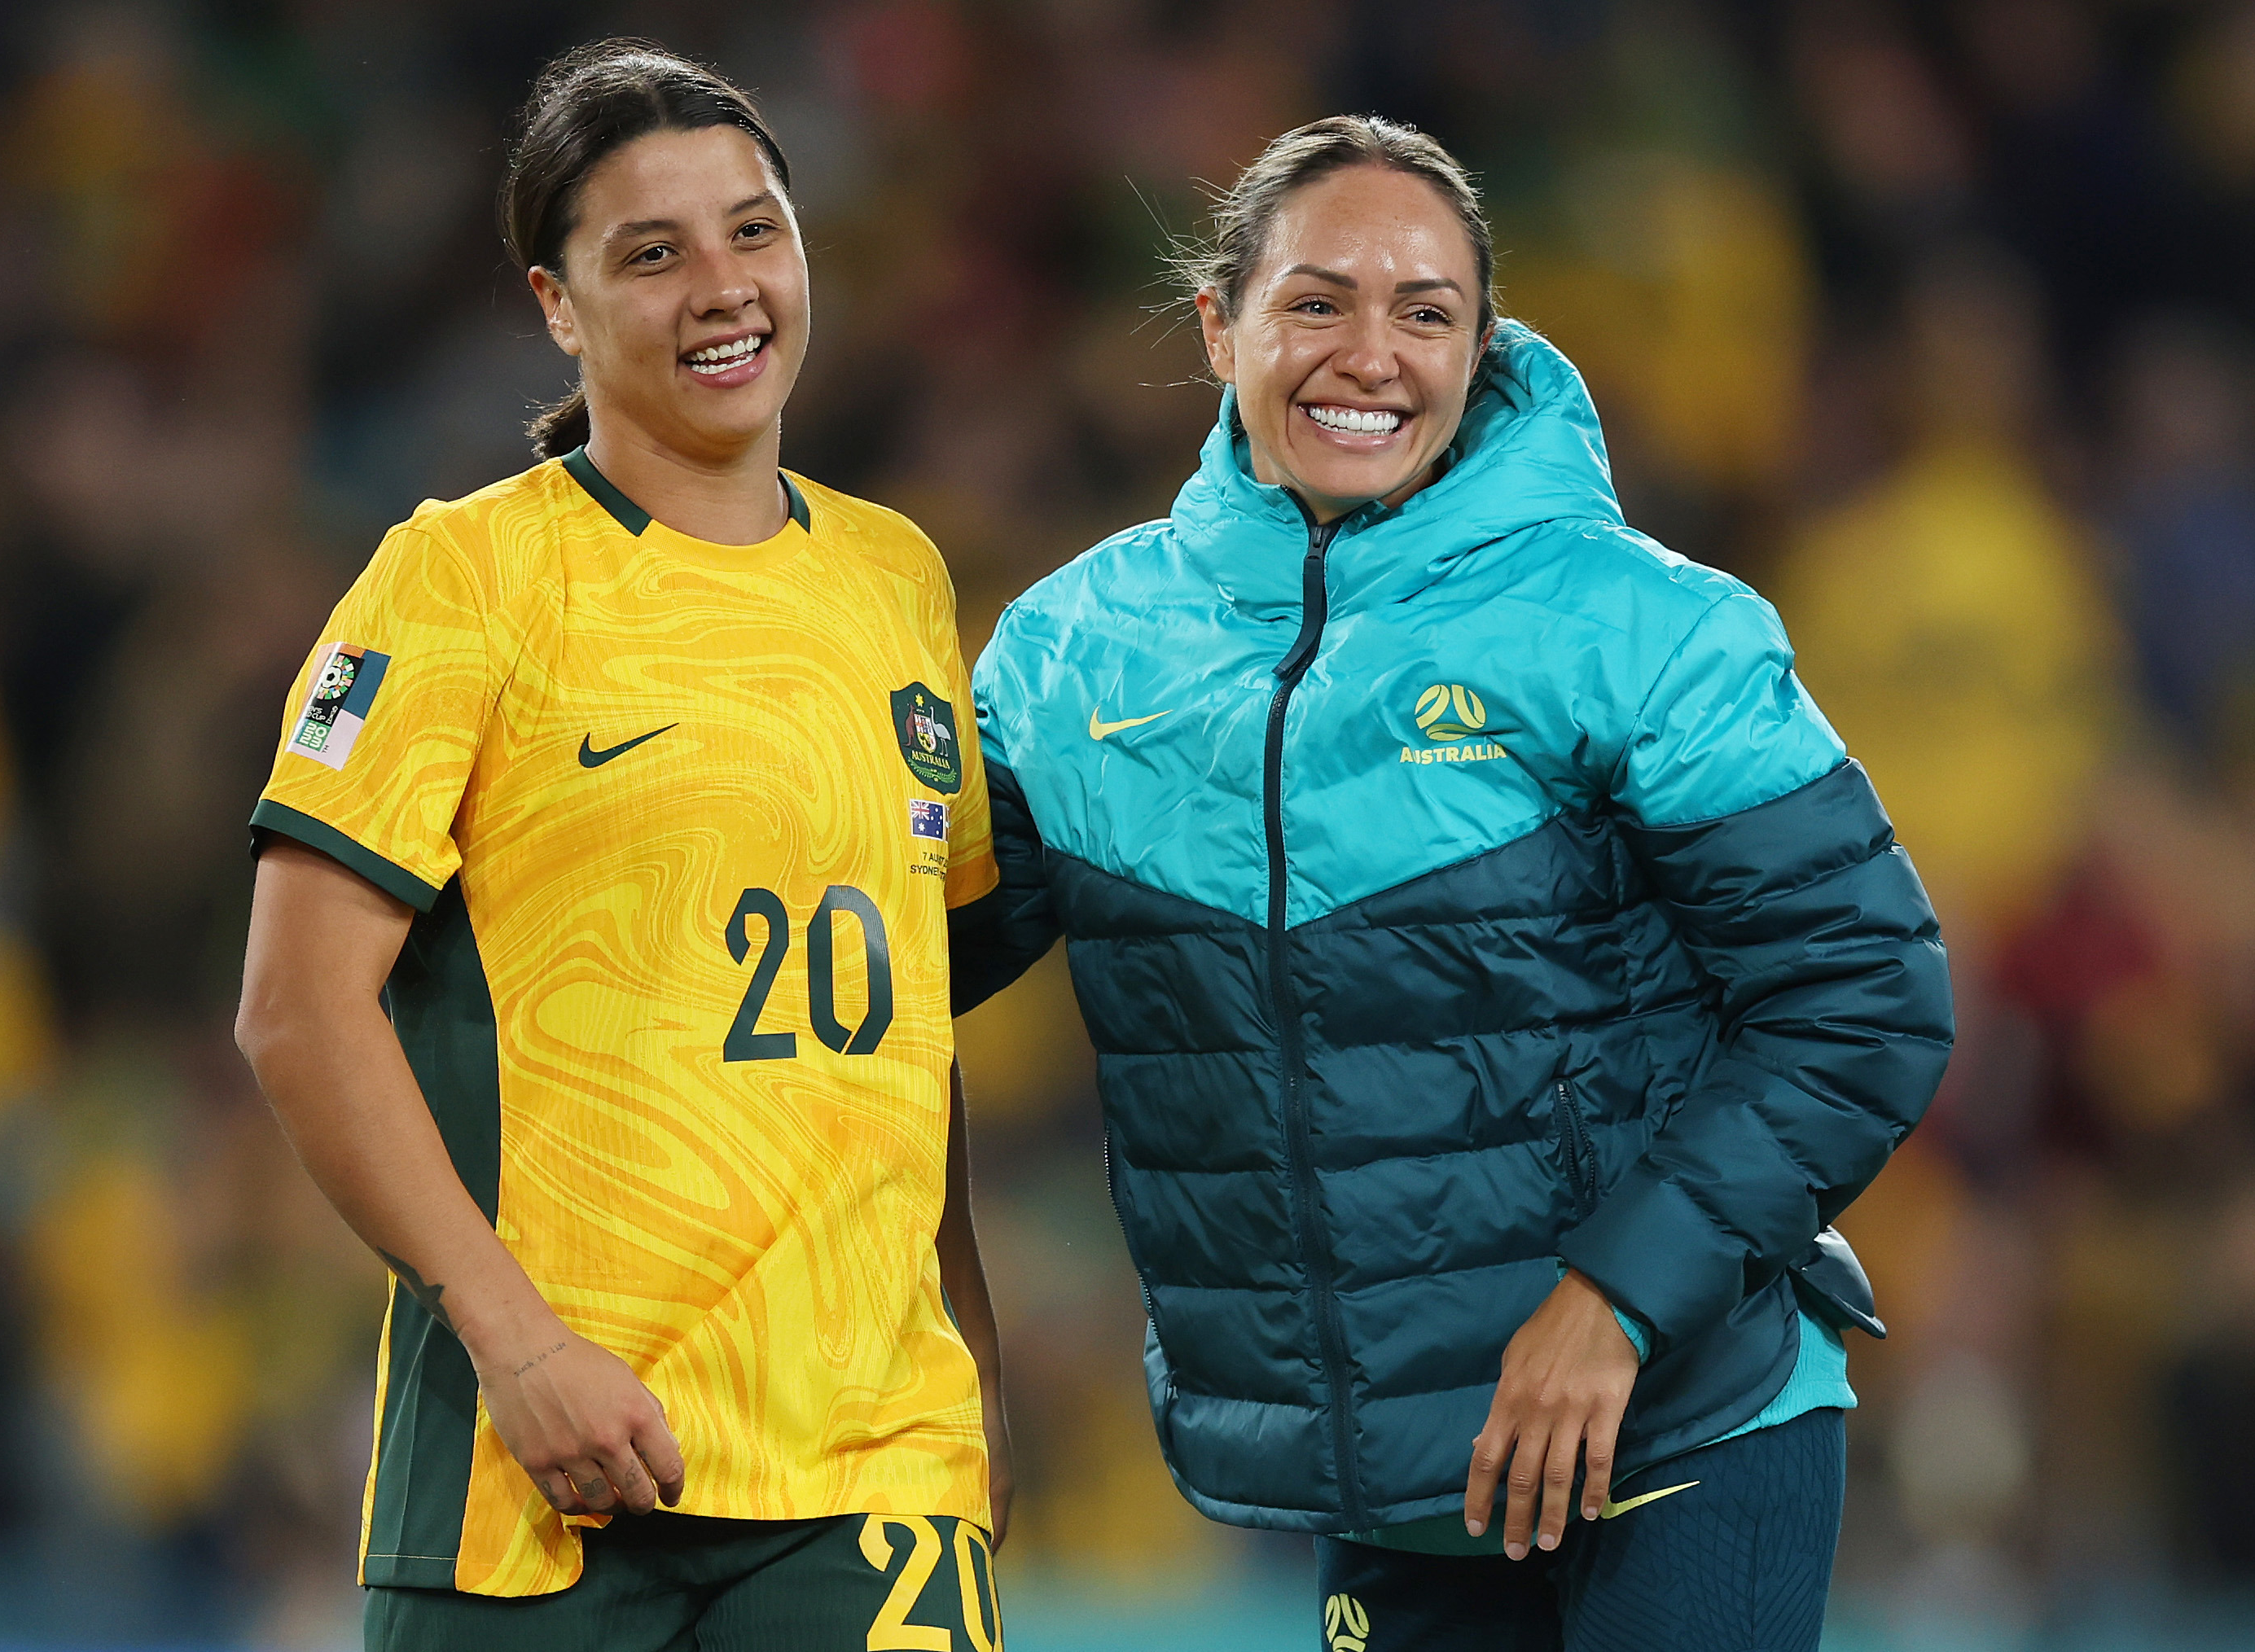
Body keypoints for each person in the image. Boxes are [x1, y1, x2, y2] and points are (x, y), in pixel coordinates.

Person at [947, 116, 1953, 1651]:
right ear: (1218, 326)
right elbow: (886, 970)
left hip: (1679, 1425)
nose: (1374, 355)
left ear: (1482, 347)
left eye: (1426, 313)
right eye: (1317, 302)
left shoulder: (1641, 624)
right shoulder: (1073, 655)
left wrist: (1615, 1299)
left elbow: (1867, 990)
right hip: (1403, 1478)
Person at [234, 42, 1009, 1652]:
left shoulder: (899, 583)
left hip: (866, 1475)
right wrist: (515, 1345)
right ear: (556, 305)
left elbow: (903, 1021)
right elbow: (299, 1008)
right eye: (650, 254)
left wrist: (971, 1370)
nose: (722, 288)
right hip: (541, 1483)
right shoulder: (463, 578)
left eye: (754, 230)